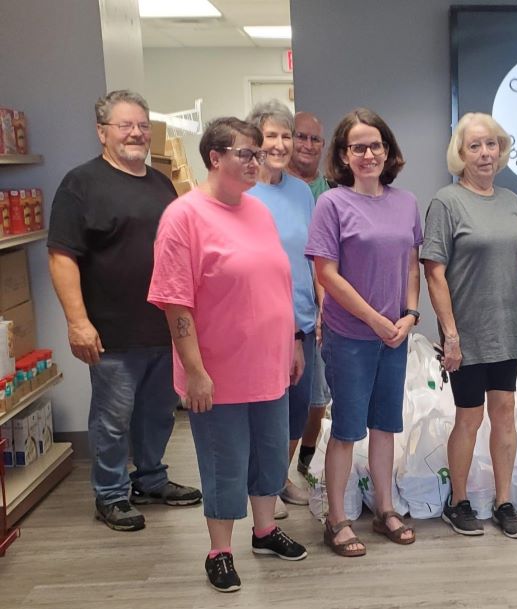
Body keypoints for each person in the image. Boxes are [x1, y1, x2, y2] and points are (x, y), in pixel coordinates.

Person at [148, 117, 308, 593]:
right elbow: (176, 301)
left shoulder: (256, 210)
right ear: (215, 157)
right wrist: (194, 371)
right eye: (247, 153)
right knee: (225, 462)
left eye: (259, 153)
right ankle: (219, 551)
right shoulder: (184, 216)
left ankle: (264, 532)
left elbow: (277, 281)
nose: (257, 161)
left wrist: (293, 340)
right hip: (217, 372)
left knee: (269, 456)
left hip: (270, 365)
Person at [47, 89, 201, 533]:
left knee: (157, 415)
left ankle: (150, 480)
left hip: (163, 327)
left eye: (140, 125)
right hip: (111, 332)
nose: (135, 133)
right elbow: (62, 257)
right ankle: (110, 494)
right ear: (102, 132)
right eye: (124, 125)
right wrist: (78, 322)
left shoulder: (160, 183)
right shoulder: (81, 184)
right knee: (113, 420)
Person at [421, 113, 517, 539]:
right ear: (460, 153)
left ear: (502, 150)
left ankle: (503, 501)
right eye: (475, 146)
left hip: (506, 327)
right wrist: (450, 334)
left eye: (491, 144)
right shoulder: (446, 201)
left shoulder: (512, 201)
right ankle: (457, 501)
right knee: (469, 418)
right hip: (467, 333)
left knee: (505, 415)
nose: (484, 153)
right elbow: (434, 272)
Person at [306, 108, 420, 557]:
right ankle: (337, 520)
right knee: (348, 429)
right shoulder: (331, 204)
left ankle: (385, 510)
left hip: (395, 333)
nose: (369, 154)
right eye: (358, 147)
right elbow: (327, 275)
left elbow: (412, 264)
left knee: (385, 425)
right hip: (351, 335)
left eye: (376, 145)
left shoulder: (405, 202)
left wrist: (410, 314)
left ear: (388, 151)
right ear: (344, 155)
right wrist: (374, 319)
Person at [246, 101, 317, 518]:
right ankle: (264, 489)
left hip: (303, 322)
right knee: (265, 413)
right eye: (271, 135)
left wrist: (321, 309)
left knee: (296, 411)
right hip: (261, 326)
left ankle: (279, 477)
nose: (280, 143)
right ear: (256, 140)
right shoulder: (245, 191)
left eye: (286, 135)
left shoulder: (301, 191)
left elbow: (312, 255)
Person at [286, 110, 331, 497]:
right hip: (285, 312)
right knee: (288, 396)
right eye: (300, 137)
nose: (307, 145)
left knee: (318, 396)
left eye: (315, 139)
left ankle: (305, 464)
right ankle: (275, 478)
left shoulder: (329, 190)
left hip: (323, 306)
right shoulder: (272, 191)